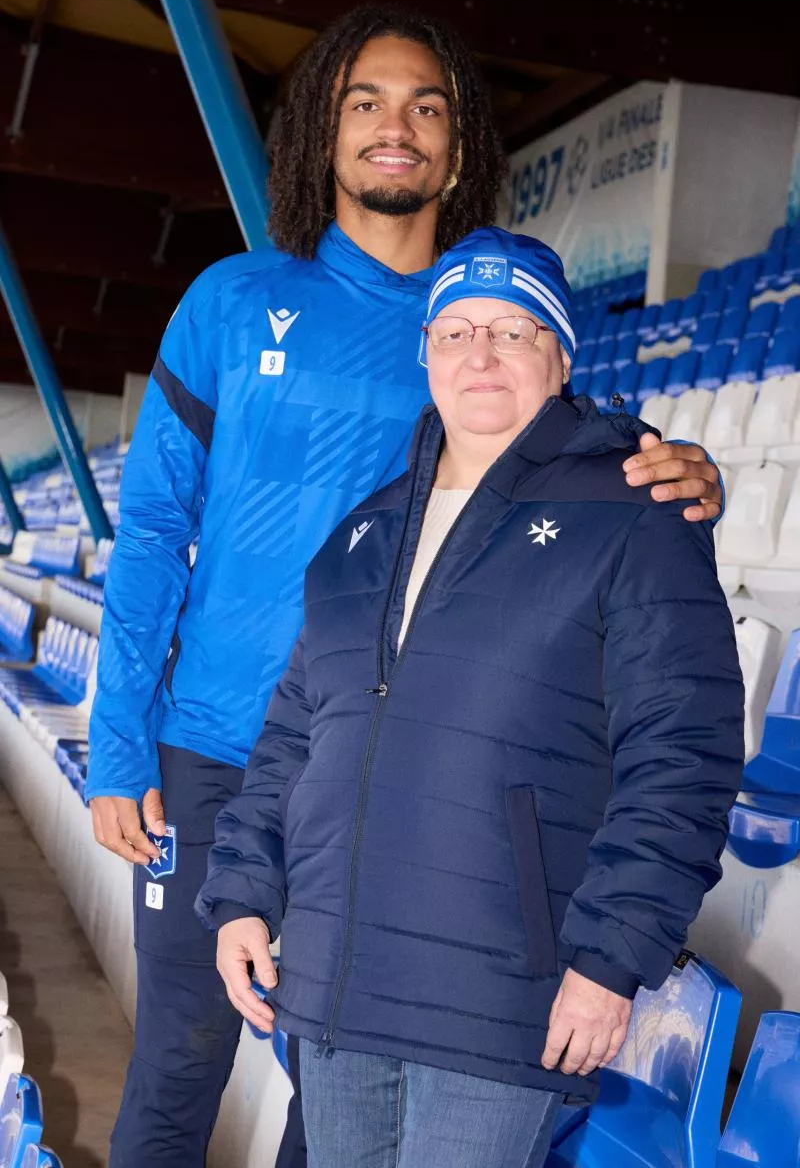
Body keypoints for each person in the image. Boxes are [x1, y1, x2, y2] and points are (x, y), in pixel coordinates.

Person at [85, 5, 724, 1168]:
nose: (396, 127)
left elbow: (587, 459)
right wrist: (120, 741)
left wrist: (694, 466)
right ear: (319, 136)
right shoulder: (231, 302)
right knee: (179, 1058)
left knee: (322, 1077)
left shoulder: (478, 325)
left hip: (375, 767)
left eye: (426, 106)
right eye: (364, 103)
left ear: (459, 144)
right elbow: (151, 531)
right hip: (210, 749)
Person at [197, 227, 744, 1168]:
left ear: (561, 354)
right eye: (455, 331)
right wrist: (245, 889)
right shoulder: (364, 532)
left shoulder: (638, 512)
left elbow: (682, 758)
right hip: (335, 982)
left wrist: (609, 960)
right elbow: (293, 735)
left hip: (502, 1001)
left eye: (513, 330)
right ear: (426, 355)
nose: (480, 354)